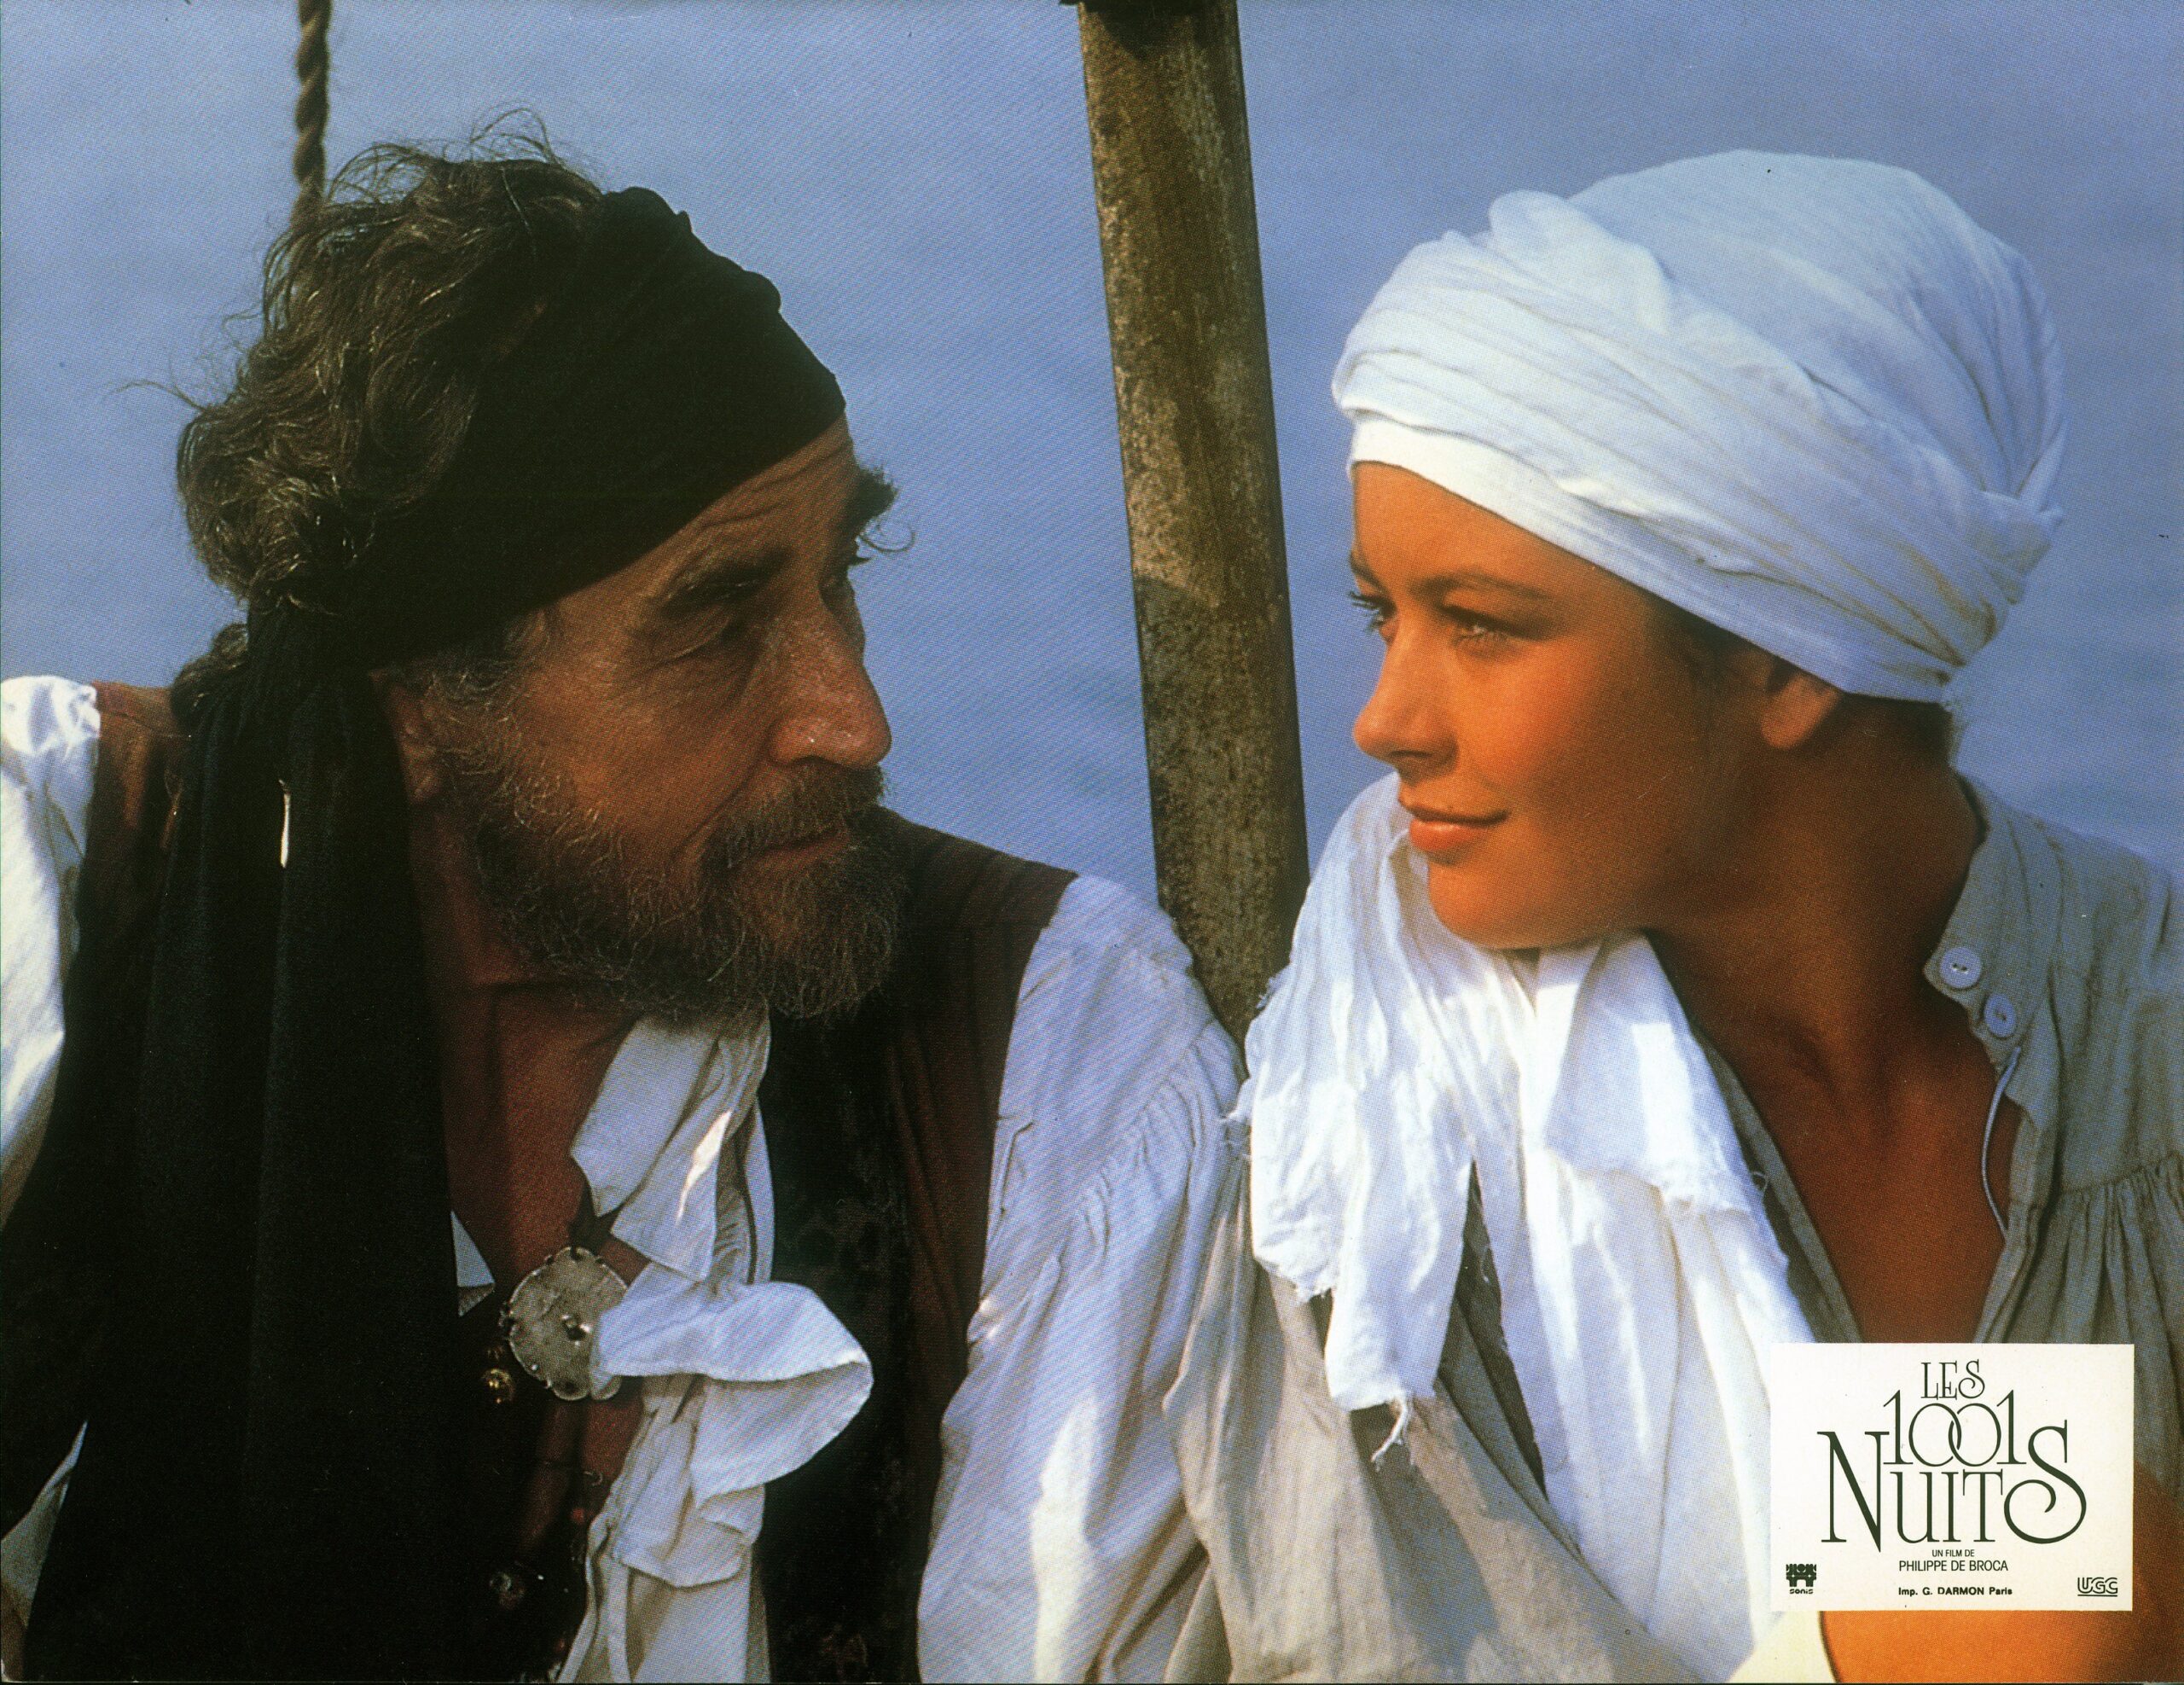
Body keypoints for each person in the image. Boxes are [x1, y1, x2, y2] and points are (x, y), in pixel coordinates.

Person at [0, 140, 1237, 1682]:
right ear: (419, 707)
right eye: (717, 622)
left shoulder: (1050, 1057)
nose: (854, 718)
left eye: (841, 574)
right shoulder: (62, 875)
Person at [1162, 152, 2182, 1682]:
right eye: (1384, 613)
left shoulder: (2149, 1032)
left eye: (1483, 627)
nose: (1384, 723)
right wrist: (1955, 1617)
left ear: (1789, 661)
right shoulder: (1382, 1153)